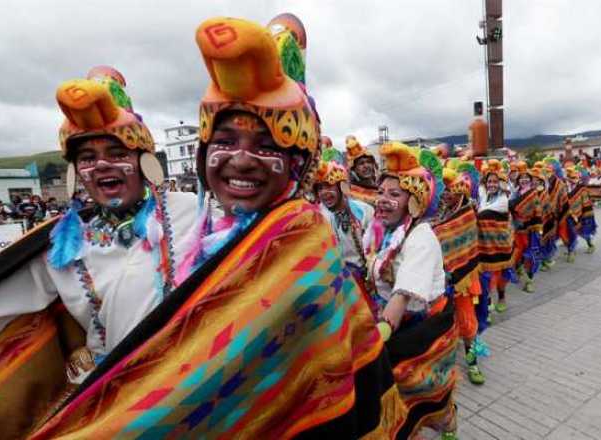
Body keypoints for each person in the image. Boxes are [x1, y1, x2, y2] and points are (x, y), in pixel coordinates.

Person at [31, 15, 404, 438]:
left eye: (267, 145)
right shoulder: (200, 222)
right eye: (224, 141)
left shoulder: (301, 241)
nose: (242, 159)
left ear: (299, 164)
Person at [0, 66, 200, 438]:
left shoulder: (191, 211)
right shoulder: (62, 246)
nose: (102, 164)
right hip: (109, 406)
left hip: (195, 391)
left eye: (116, 151)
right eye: (88, 156)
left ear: (143, 160)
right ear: (77, 172)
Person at [364, 142, 459, 439]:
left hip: (418, 326)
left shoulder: (421, 238)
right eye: (381, 192)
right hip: (392, 320)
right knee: (395, 402)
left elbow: (402, 294)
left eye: (394, 194)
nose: (383, 200)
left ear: (415, 202)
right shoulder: (384, 231)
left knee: (423, 394)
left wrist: (379, 334)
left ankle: (448, 423)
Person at [432, 161, 485, 386]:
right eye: (442, 191)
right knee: (439, 321)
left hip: (461, 278)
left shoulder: (467, 214)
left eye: (449, 191)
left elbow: (468, 242)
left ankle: (472, 362)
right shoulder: (435, 214)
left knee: (467, 321)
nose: (445, 195)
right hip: (438, 279)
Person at [314, 149, 373, 280]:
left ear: (342, 187)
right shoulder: (318, 217)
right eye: (320, 188)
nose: (324, 193)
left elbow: (376, 251)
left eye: (329, 186)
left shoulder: (364, 211)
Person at [477, 160, 516, 317]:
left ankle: (501, 298)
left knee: (499, 276)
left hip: (500, 244)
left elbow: (483, 213)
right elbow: (480, 188)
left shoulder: (503, 200)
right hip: (485, 244)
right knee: (486, 277)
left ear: (500, 183)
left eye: (495, 181)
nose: (491, 184)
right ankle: (487, 304)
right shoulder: (485, 196)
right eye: (489, 181)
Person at [509, 161, 543, 293]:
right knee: (517, 253)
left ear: (530, 180)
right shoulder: (515, 193)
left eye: (526, 178)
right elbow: (510, 207)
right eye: (521, 178)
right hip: (518, 229)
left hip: (531, 229)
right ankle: (519, 271)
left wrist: (537, 227)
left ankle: (529, 280)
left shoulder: (534, 193)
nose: (523, 180)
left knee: (531, 255)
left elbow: (538, 211)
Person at [345, 135, 379, 205]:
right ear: (354, 169)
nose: (366, 166)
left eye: (369, 162)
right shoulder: (352, 192)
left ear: (373, 165)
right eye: (361, 163)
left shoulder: (382, 186)